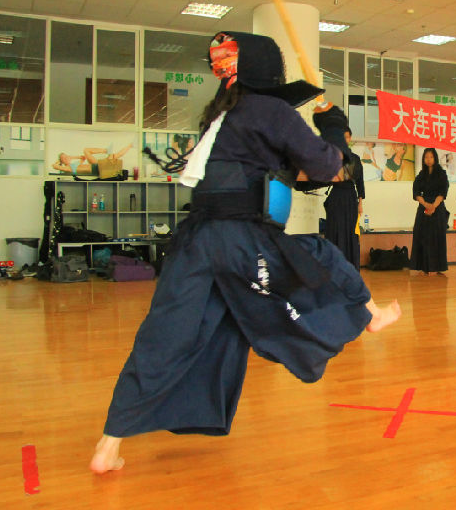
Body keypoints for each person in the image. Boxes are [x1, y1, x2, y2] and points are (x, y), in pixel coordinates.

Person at [90, 31, 400, 474]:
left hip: (194, 243)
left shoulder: (221, 115)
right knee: (320, 255)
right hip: (239, 238)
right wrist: (333, 128)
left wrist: (326, 131)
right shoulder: (270, 110)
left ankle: (109, 444)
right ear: (270, 73)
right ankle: (371, 315)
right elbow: (327, 165)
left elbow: (293, 173)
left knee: (166, 335)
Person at [323, 127, 365, 269]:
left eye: (347, 137)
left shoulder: (355, 159)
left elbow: (360, 182)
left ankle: (350, 267)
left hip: (350, 197)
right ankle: (333, 266)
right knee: (334, 229)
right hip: (336, 196)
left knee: (350, 231)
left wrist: (360, 203)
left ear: (350, 139)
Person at [409, 148, 449, 276]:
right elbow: (416, 193)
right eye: (426, 157)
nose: (429, 160)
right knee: (421, 235)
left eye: (431, 157)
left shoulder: (442, 174)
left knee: (436, 237)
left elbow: (443, 192)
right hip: (423, 207)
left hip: (438, 207)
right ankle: (423, 266)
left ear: (435, 158)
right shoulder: (421, 175)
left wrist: (433, 206)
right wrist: (426, 205)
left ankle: (436, 267)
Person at [52, 144, 133, 175]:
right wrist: (59, 160)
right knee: (86, 150)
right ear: (62, 162)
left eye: (66, 156)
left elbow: (83, 158)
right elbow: (54, 166)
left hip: (96, 166)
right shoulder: (67, 168)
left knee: (116, 155)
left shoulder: (73, 165)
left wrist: (71, 157)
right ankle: (106, 150)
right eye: (64, 158)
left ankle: (130, 145)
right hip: (97, 168)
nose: (66, 157)